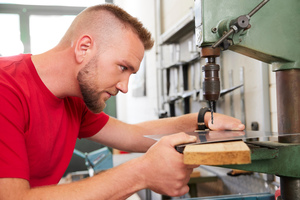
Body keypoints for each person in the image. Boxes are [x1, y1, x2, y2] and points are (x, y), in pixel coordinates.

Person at [0, 3, 245, 200]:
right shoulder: (6, 89)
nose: (125, 87)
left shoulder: (74, 101)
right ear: (84, 48)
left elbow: (133, 135)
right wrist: (142, 173)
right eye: (122, 67)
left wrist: (200, 121)